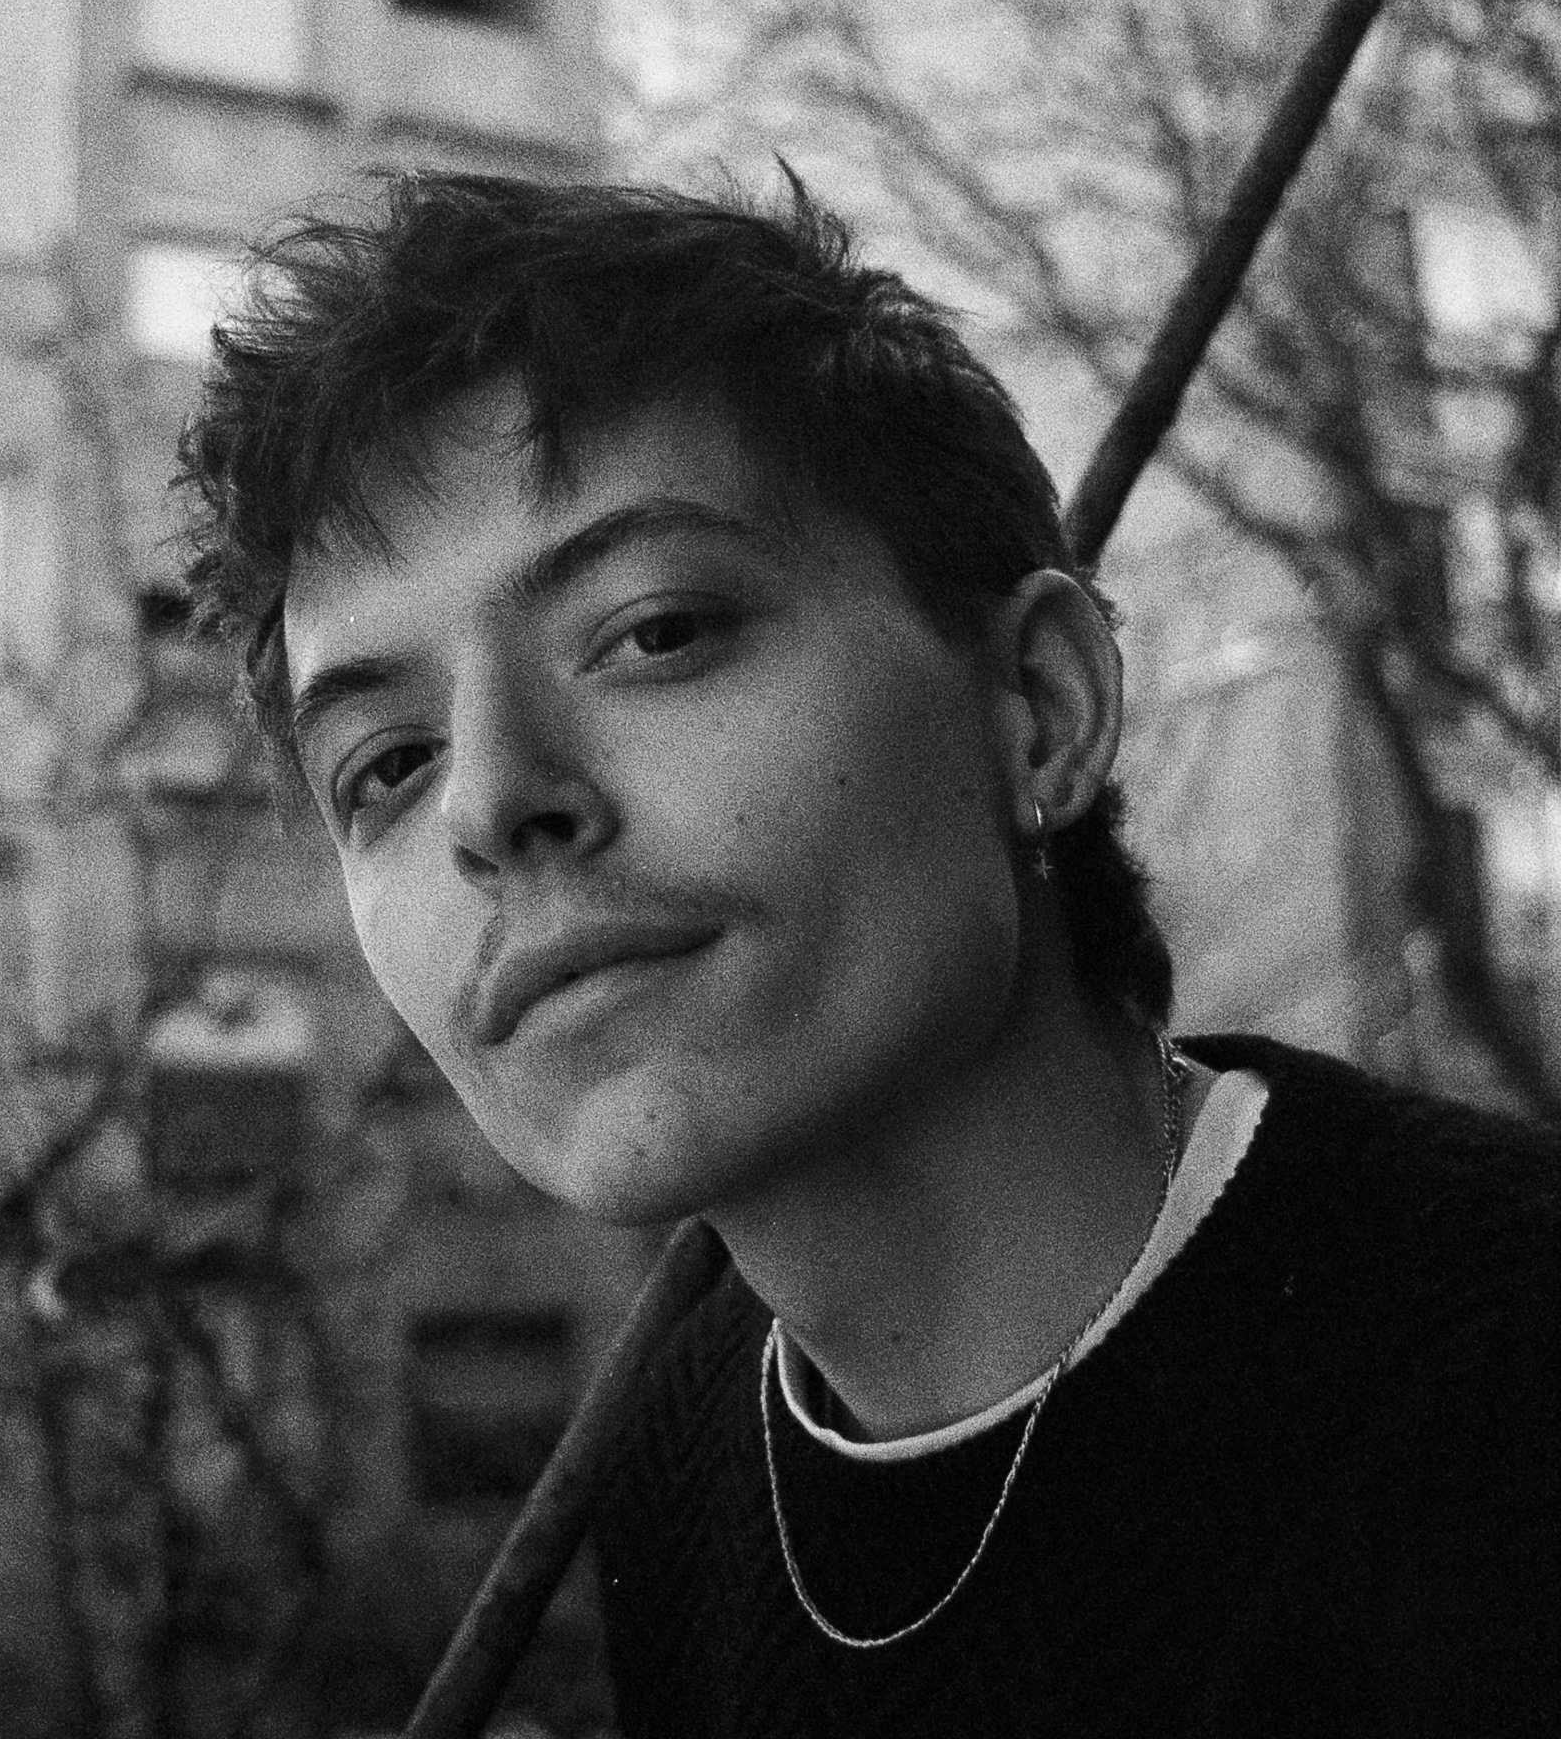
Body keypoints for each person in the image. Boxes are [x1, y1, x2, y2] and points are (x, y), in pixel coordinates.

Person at [175, 172, 1559, 1735]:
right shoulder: (682, 1462)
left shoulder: (1502, 1388)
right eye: (386, 764)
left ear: (1039, 708)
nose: (492, 803)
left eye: (656, 631)